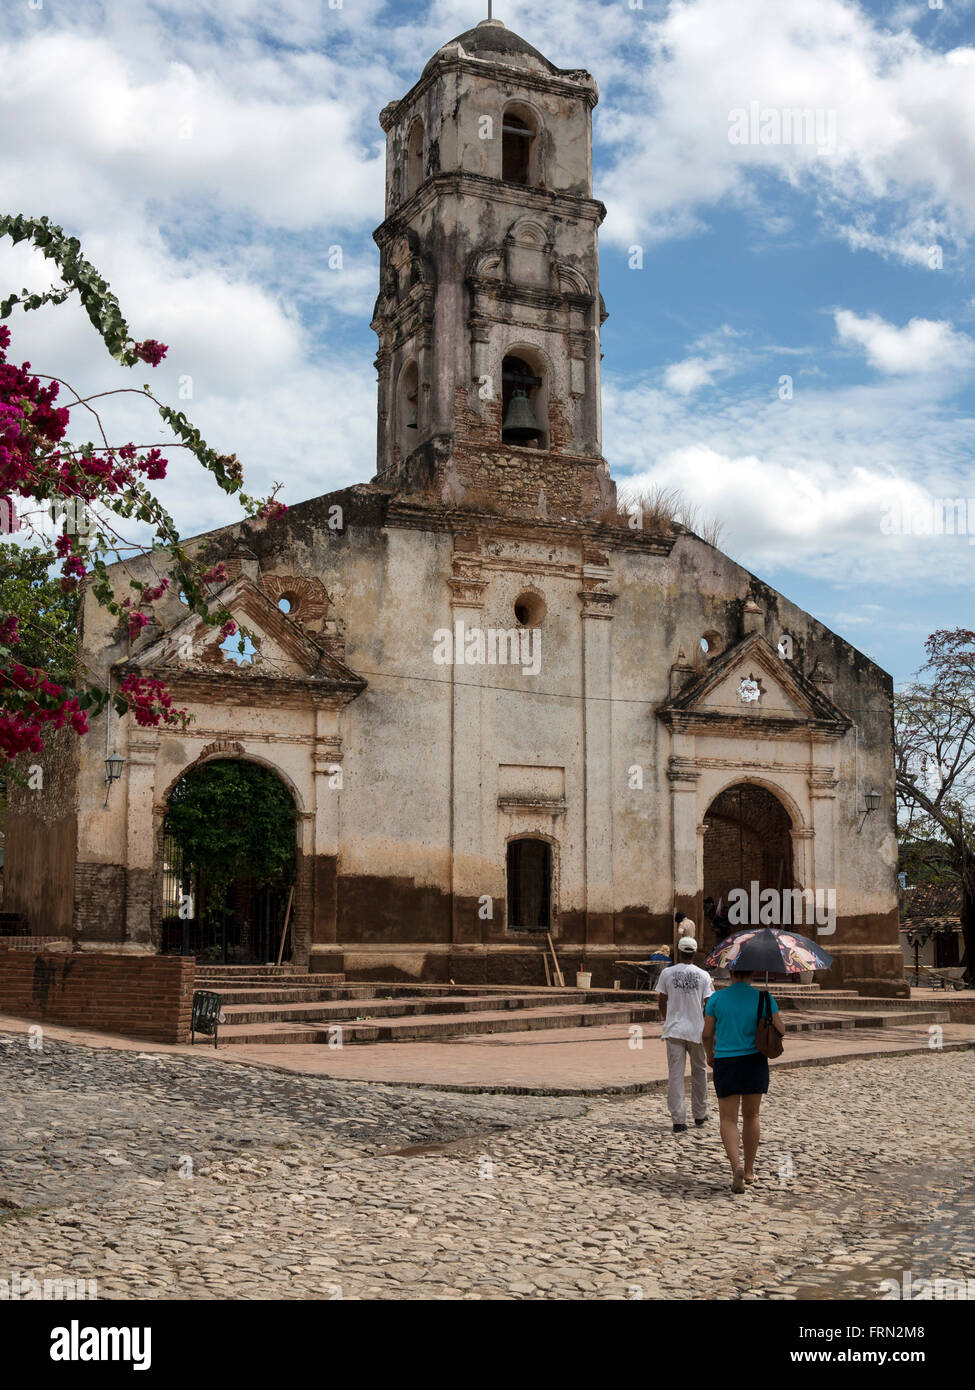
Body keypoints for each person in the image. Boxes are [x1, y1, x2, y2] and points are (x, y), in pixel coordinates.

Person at [702, 970, 786, 1192]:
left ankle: (735, 1165)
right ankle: (749, 1170)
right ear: (752, 972)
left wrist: (709, 1053)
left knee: (728, 1119)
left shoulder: (717, 998)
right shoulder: (764, 998)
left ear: (730, 972)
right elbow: (781, 1029)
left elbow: (706, 1033)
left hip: (726, 1061)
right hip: (754, 1061)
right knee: (752, 1115)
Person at [656, 937, 714, 1133]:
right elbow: (709, 1004)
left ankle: (678, 1119)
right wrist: (707, 1025)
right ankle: (700, 1113)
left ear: (678, 952)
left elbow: (662, 1000)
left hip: (674, 1030)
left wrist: (668, 1018)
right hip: (697, 1029)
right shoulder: (704, 976)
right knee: (700, 1072)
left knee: (675, 1075)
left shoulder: (667, 973)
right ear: (695, 953)